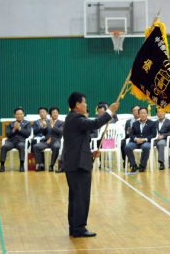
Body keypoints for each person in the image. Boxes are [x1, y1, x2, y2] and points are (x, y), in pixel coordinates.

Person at [63, 91, 119, 237]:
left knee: (76, 197)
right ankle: (79, 228)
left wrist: (90, 152)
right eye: (84, 102)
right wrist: (110, 111)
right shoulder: (76, 117)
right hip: (78, 166)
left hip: (77, 163)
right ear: (77, 104)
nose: (86, 105)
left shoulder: (72, 118)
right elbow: (94, 124)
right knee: (81, 197)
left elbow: (79, 142)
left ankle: (75, 227)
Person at [125, 107, 157, 172]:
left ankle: (142, 165)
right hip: (136, 142)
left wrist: (144, 139)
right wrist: (136, 139)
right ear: (138, 114)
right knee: (127, 147)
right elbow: (131, 134)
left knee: (145, 147)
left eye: (144, 113)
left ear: (147, 114)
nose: (143, 115)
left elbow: (153, 134)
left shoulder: (152, 123)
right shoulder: (134, 123)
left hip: (146, 141)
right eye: (141, 113)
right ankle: (133, 165)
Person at [0, 107, 31, 172]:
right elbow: (8, 134)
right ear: (15, 115)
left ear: (23, 115)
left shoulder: (27, 123)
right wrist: (14, 129)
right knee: (4, 147)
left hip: (21, 141)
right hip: (12, 142)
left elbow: (27, 134)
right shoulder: (11, 123)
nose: (19, 116)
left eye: (21, 114)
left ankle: (21, 165)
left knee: (22, 146)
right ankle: (2, 165)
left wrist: (19, 128)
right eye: (18, 114)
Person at [34, 107, 64, 172]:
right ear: (50, 115)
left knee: (56, 147)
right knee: (36, 146)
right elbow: (44, 133)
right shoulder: (47, 122)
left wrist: (52, 126)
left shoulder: (61, 123)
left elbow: (60, 131)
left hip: (56, 141)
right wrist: (44, 127)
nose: (55, 114)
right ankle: (40, 164)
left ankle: (51, 165)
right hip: (47, 141)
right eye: (54, 113)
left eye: (56, 112)